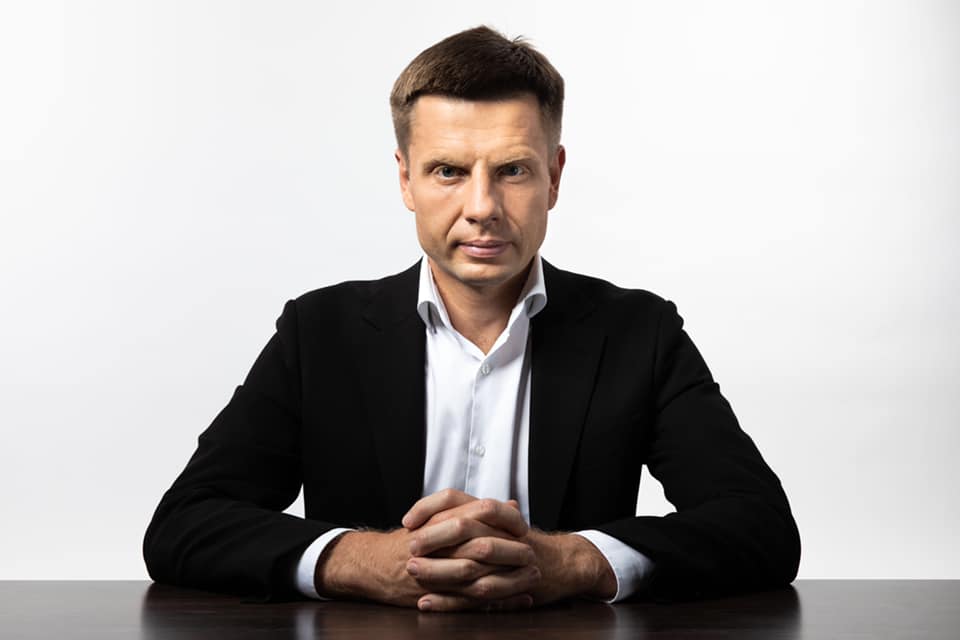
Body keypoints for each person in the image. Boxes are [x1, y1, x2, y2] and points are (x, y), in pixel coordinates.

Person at [143, 26, 800, 612]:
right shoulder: (319, 333)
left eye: (512, 170)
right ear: (406, 180)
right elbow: (184, 524)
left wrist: (571, 561)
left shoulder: (640, 334)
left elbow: (761, 526)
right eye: (448, 171)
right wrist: (364, 561)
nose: (483, 206)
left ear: (554, 177)